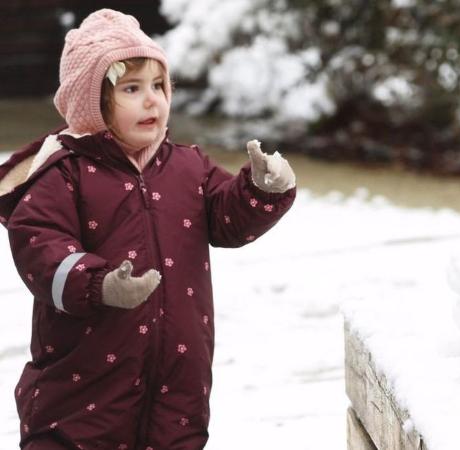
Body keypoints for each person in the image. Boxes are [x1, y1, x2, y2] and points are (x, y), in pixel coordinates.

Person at [0, 9, 296, 450]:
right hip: (80, 400)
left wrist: (261, 189)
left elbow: (227, 218)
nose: (152, 100)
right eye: (132, 88)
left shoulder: (188, 166)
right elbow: (40, 246)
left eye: (159, 86)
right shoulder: (64, 173)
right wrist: (99, 284)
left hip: (177, 395)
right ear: (91, 102)